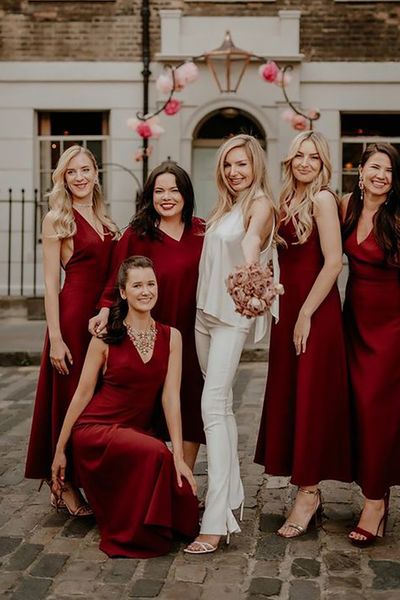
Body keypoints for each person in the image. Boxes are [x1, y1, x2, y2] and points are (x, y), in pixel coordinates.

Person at [51, 256, 199, 558]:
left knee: (183, 499)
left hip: (137, 433)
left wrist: (180, 459)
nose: (145, 291)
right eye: (137, 285)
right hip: (96, 431)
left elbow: (171, 397)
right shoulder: (104, 339)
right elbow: (81, 395)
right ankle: (137, 532)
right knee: (158, 452)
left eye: (150, 284)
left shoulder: (173, 337)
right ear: (123, 292)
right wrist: (59, 450)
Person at [185, 134, 280, 554]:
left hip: (231, 318)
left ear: (255, 165)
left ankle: (216, 519)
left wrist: (250, 262)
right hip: (203, 316)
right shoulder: (224, 206)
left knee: (212, 408)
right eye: (227, 165)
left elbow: (252, 239)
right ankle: (234, 497)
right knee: (219, 409)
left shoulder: (260, 203)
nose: (234, 171)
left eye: (241, 164)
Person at [255, 130, 352, 538]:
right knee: (292, 396)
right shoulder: (284, 201)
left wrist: (305, 314)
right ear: (290, 160)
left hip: (315, 312)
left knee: (311, 399)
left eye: (314, 156)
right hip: (287, 310)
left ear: (323, 161)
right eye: (300, 155)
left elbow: (333, 263)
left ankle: (309, 493)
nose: (306, 162)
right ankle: (304, 484)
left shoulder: (324, 200)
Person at [89, 161, 205, 469]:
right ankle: (148, 472)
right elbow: (116, 280)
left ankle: (184, 477)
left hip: (193, 333)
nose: (167, 197)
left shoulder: (203, 231)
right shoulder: (137, 234)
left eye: (174, 190)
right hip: (149, 332)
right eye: (159, 191)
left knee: (190, 403)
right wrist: (103, 310)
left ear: (186, 194)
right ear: (150, 195)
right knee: (147, 405)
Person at [25, 145, 119, 514]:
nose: (79, 177)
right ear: (62, 178)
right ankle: (63, 483)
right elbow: (50, 284)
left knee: (96, 398)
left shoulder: (104, 218)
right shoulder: (57, 219)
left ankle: (90, 477)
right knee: (69, 399)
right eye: (71, 172)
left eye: (85, 170)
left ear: (96, 173)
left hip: (103, 317)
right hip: (73, 314)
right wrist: (57, 338)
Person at [341, 142, 400, 547]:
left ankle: (374, 502)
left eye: (389, 170)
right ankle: (378, 487)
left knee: (378, 411)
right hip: (354, 320)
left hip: (392, 326)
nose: (381, 175)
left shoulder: (398, 218)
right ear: (360, 171)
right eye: (375, 167)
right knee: (359, 411)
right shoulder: (346, 206)